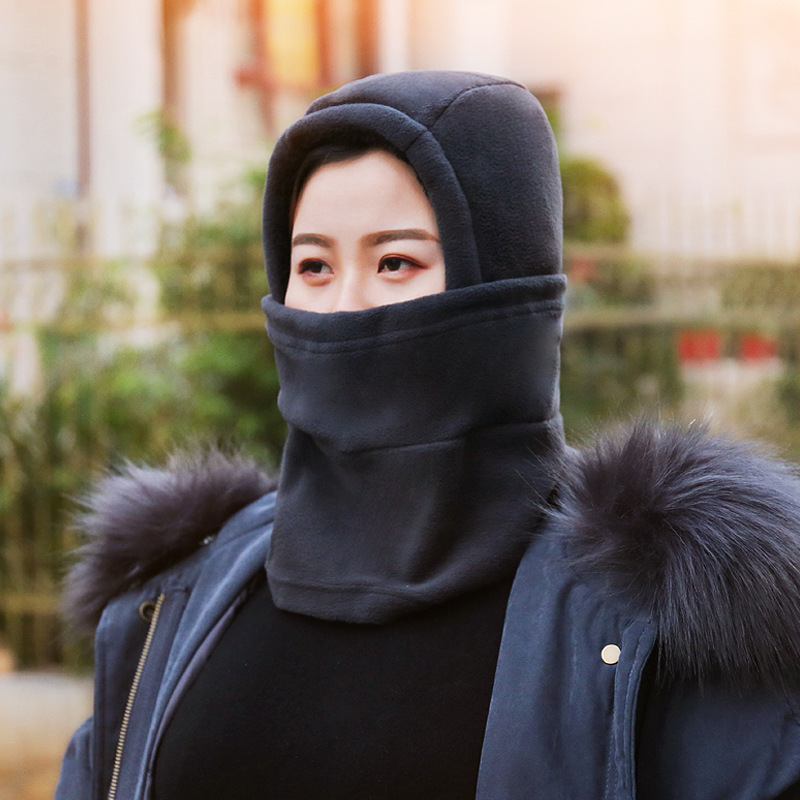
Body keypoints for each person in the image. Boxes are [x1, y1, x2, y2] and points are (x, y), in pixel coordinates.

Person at [56, 71, 800, 799]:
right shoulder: (174, 604)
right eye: (312, 265)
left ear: (508, 291)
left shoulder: (676, 624)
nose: (343, 306)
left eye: (395, 261)